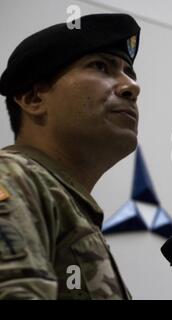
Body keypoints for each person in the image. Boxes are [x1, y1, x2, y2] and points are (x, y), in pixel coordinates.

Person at [0, 13, 141, 299]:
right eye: (101, 66)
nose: (131, 87)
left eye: (129, 72)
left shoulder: (65, 205)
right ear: (33, 99)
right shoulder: (13, 178)